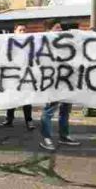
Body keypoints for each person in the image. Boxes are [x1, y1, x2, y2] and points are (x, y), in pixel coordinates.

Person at [39, 19, 81, 151]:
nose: (60, 30)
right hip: (52, 83)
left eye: (61, 28)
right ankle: (46, 138)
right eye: (57, 28)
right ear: (48, 31)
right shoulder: (44, 45)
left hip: (66, 83)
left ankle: (64, 136)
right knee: (49, 111)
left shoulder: (66, 45)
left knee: (65, 111)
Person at [0, 23, 35, 130]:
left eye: (24, 30)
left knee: (26, 100)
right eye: (20, 30)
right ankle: (9, 119)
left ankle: (29, 121)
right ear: (15, 31)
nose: (23, 32)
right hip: (13, 76)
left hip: (26, 75)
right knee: (12, 98)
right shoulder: (9, 42)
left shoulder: (31, 43)